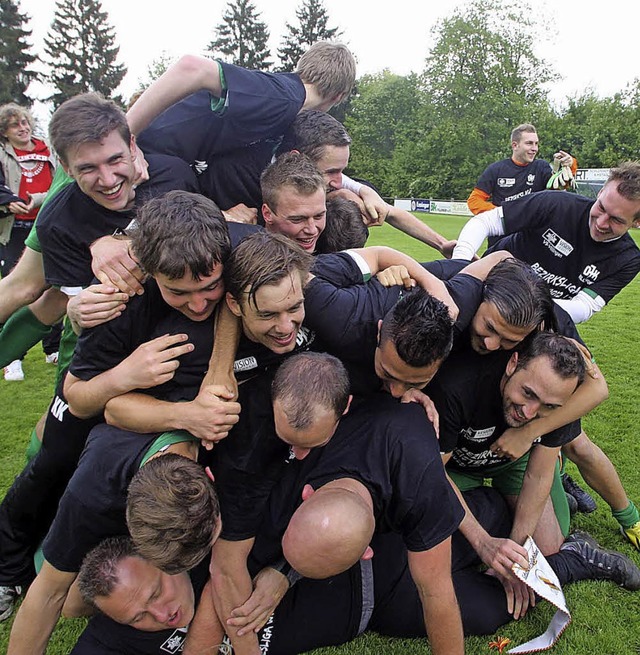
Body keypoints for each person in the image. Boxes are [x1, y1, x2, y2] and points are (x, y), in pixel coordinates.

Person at [70, 495, 640, 655]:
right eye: (140, 617)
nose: (159, 613)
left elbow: (301, 524)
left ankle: (552, 517)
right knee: (493, 611)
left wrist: (280, 575)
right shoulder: (119, 629)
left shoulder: (214, 550)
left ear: (166, 560)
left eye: (156, 592)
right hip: (374, 615)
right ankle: (568, 564)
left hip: (379, 556)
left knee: (484, 532)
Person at [429, 331, 592, 618]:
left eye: (549, 407)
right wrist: (483, 542)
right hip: (458, 467)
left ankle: (560, 507)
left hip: (514, 465)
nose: (530, 412)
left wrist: (515, 554)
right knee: (433, 539)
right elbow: (432, 473)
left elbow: (538, 476)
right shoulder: (459, 385)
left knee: (547, 551)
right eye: (528, 393)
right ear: (512, 363)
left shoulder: (558, 401)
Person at [453, 161, 640, 324]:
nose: (601, 223)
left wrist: (524, 304)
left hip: (538, 315)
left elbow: (584, 307)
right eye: (601, 207)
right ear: (600, 192)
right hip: (486, 288)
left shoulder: (628, 259)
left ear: (637, 222)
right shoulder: (556, 204)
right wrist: (460, 263)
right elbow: (485, 222)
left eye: (616, 220)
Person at [0, 103, 57, 380]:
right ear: (5, 131)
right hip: (16, 229)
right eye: (14, 125)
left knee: (59, 286)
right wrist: (8, 202)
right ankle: (13, 358)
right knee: (21, 290)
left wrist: (39, 200)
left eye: (24, 123)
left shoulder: (48, 149)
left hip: (47, 224)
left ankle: (53, 349)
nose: (22, 129)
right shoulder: (3, 155)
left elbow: (63, 183)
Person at [467, 123, 577, 216]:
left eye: (536, 144)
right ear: (515, 145)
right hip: (503, 235)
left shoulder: (541, 167)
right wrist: (502, 214)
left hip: (532, 234)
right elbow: (474, 201)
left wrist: (570, 164)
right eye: (529, 143)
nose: (534, 148)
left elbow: (560, 189)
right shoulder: (496, 169)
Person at [260, 152, 327, 253]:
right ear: (267, 214)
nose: (312, 230)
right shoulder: (244, 260)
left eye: (319, 216)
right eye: (298, 219)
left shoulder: (335, 244)